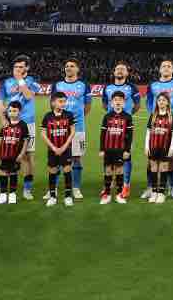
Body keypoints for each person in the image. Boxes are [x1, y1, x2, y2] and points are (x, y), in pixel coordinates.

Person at [0, 56, 40, 200]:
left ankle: (27, 189)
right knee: (5, 155)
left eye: (21, 67)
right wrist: (3, 119)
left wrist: (20, 80)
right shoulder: (6, 82)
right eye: (16, 67)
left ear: (27, 68)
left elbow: (28, 96)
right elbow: (0, 103)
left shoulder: (32, 81)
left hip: (27, 122)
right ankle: (2, 190)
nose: (18, 69)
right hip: (10, 123)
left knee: (28, 156)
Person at [144, 59, 173, 199]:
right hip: (156, 125)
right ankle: (150, 187)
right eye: (164, 66)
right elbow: (149, 101)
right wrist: (154, 115)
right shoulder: (153, 85)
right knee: (151, 158)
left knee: (172, 158)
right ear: (160, 69)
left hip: (172, 126)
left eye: (169, 66)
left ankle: (172, 187)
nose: (166, 68)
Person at [53, 58, 92, 200]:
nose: (69, 68)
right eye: (67, 66)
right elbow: (53, 105)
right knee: (57, 157)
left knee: (76, 157)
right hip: (59, 127)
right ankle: (54, 188)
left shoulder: (83, 85)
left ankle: (75, 188)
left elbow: (87, 106)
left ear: (77, 69)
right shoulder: (57, 85)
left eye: (72, 66)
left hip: (78, 127)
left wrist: (77, 119)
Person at [102, 61, 141, 199]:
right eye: (117, 69)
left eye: (122, 69)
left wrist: (127, 116)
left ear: (127, 73)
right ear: (114, 72)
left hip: (125, 127)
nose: (119, 71)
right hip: (110, 126)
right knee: (109, 155)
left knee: (126, 154)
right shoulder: (108, 87)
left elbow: (137, 105)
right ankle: (110, 182)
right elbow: (104, 103)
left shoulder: (132, 88)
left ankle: (126, 185)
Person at [41, 91, 76, 207]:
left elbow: (72, 131)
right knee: (52, 172)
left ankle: (68, 196)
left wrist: (64, 146)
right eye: (60, 101)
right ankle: (52, 196)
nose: (63, 104)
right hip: (53, 150)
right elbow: (43, 134)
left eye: (64, 102)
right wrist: (53, 147)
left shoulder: (69, 115)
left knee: (67, 171)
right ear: (53, 103)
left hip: (66, 149)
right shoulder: (47, 116)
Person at [99, 92, 134, 205]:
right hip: (108, 149)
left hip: (120, 149)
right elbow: (103, 134)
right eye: (115, 100)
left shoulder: (127, 117)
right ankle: (107, 194)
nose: (118, 102)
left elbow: (130, 136)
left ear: (124, 103)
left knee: (119, 170)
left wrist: (127, 150)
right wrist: (101, 149)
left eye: (120, 100)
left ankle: (119, 194)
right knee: (108, 171)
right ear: (111, 103)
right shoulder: (107, 116)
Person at [145, 92, 173, 204]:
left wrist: (171, 148)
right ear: (157, 102)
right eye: (159, 100)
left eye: (164, 100)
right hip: (153, 146)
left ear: (168, 102)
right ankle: (154, 192)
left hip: (166, 147)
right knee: (154, 168)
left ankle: (161, 193)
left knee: (164, 168)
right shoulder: (153, 115)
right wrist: (146, 146)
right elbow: (148, 132)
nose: (161, 102)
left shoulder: (171, 116)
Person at [0, 101, 28, 205]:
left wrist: (22, 154)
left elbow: (26, 141)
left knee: (13, 172)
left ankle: (12, 194)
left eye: (14, 111)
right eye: (10, 111)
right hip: (4, 153)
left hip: (15, 154)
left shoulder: (23, 125)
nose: (12, 113)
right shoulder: (5, 124)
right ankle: (3, 194)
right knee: (2, 172)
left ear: (19, 112)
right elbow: (0, 139)